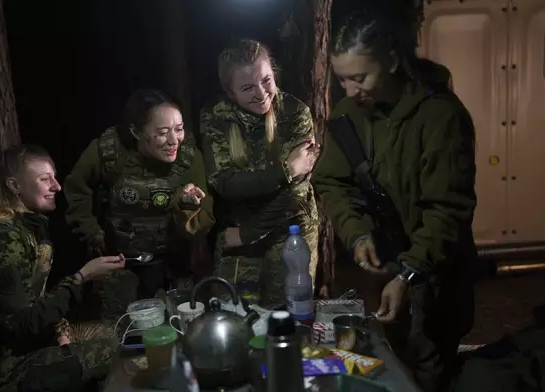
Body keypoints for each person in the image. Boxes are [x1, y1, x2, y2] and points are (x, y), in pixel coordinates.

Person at [313, 5, 477, 391]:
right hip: (387, 270)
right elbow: (332, 181)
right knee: (389, 360)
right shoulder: (349, 112)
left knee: (428, 371)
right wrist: (357, 234)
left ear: (390, 60)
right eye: (341, 80)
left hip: (435, 279)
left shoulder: (441, 118)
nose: (350, 91)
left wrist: (409, 273)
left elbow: (448, 211)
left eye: (358, 77)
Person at [0, 144, 124, 391]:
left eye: (54, 177)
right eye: (45, 179)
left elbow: (32, 298)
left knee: (121, 331)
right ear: (14, 186)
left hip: (21, 346)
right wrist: (82, 277)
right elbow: (22, 325)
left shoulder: (28, 225)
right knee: (116, 351)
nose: (57, 186)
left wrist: (60, 333)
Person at [64, 88, 213, 319]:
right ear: (135, 131)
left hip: (175, 264)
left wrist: (188, 208)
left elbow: (202, 223)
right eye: (163, 132)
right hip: (122, 263)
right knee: (120, 332)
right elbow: (76, 190)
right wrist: (92, 233)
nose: (174, 141)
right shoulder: (108, 153)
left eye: (179, 129)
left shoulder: (189, 160)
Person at [199, 39, 321, 308]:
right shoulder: (215, 116)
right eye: (247, 87)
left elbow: (295, 194)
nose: (262, 93)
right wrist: (286, 169)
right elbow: (224, 183)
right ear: (230, 92)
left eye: (266, 79)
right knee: (233, 313)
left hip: (290, 232)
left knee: (287, 315)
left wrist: (249, 232)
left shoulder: (295, 113)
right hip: (237, 232)